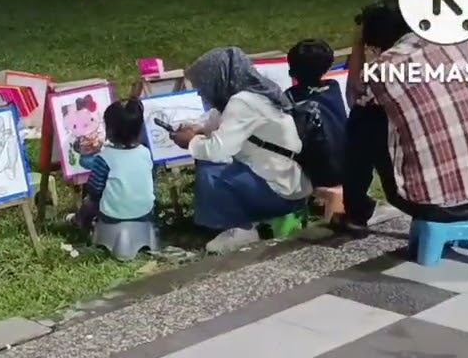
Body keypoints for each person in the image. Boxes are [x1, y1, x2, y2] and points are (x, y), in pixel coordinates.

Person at [341, 0, 468, 234]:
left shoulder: (382, 70)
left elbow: (353, 97)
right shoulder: (457, 42)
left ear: (374, 42)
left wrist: (358, 42)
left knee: (363, 119)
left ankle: (356, 214)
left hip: (435, 206)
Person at [170, 47, 311, 253]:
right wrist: (197, 128)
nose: (201, 92)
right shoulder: (254, 94)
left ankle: (238, 229)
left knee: (211, 170)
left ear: (217, 79)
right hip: (290, 184)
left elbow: (216, 149)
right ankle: (251, 224)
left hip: (280, 191)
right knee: (217, 163)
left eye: (202, 85)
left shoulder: (242, 102)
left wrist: (190, 142)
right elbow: (219, 120)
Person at [72, 97, 155, 231]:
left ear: (109, 131)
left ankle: (81, 223)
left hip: (113, 217)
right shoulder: (146, 153)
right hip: (146, 214)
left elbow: (95, 190)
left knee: (90, 201)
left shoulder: (105, 158)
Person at [286, 39, 348, 155]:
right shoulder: (333, 86)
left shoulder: (290, 97)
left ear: (292, 71)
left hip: (319, 167)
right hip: (349, 161)